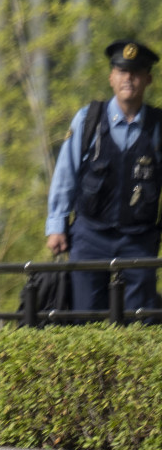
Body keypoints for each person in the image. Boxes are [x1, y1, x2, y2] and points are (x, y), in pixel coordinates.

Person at [47, 40, 162, 316]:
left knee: (140, 322)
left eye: (135, 72)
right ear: (111, 77)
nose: (128, 79)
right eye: (122, 71)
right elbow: (66, 174)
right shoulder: (89, 120)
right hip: (90, 235)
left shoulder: (158, 127)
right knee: (85, 318)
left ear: (148, 78)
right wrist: (56, 225)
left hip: (140, 238)